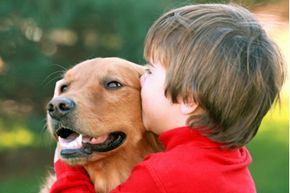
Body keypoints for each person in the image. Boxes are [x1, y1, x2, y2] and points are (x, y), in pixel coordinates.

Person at [49, 3, 286, 193]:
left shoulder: (165, 175)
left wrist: (66, 166)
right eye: (66, 86)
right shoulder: (230, 160)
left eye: (150, 71)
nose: (142, 80)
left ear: (188, 99)